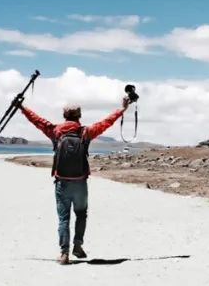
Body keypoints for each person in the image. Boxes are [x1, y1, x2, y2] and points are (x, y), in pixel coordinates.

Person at [19, 98, 130, 264]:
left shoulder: (55, 131)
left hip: (62, 182)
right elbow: (107, 122)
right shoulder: (85, 132)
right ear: (80, 116)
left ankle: (64, 254)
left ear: (64, 115)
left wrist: (22, 107)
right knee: (81, 215)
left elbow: (37, 120)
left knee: (64, 219)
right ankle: (77, 245)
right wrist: (122, 109)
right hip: (80, 182)